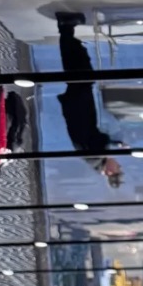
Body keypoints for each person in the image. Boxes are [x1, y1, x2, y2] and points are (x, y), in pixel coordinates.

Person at [55, 12, 123, 189]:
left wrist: (113, 144)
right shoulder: (95, 159)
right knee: (78, 68)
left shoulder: (95, 158)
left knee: (76, 69)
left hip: (79, 106)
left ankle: (66, 28)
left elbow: (99, 138)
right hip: (78, 106)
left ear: (110, 172)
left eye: (118, 168)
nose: (118, 164)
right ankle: (67, 31)